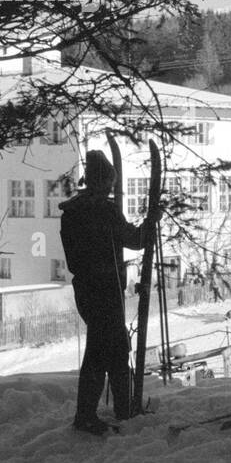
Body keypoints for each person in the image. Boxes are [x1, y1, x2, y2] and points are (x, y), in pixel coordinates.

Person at [59, 149, 156, 433]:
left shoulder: (74, 211)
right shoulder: (103, 209)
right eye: (110, 183)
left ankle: (122, 409)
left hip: (87, 290)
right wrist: (150, 225)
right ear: (104, 181)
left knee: (111, 350)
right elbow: (134, 239)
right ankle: (89, 415)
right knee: (102, 353)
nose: (112, 188)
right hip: (105, 290)